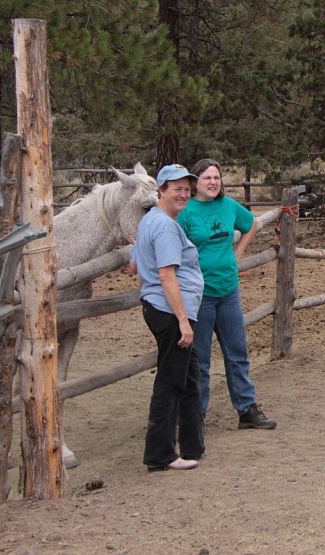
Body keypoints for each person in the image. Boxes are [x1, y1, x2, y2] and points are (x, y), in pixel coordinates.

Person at [177, 158, 276, 430]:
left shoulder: (228, 205)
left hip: (228, 290)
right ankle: (196, 417)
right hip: (201, 295)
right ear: (195, 181)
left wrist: (238, 253)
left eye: (217, 178)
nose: (212, 182)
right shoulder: (186, 212)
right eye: (207, 178)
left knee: (237, 352)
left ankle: (246, 409)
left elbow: (251, 224)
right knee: (202, 360)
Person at [131, 164, 205, 471]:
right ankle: (159, 454)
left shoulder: (152, 221)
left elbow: (135, 264)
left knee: (188, 377)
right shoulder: (162, 225)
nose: (183, 194)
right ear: (161, 190)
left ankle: (191, 445)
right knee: (171, 381)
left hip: (164, 307)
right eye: (177, 188)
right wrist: (183, 320)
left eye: (187, 189)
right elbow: (167, 275)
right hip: (170, 311)